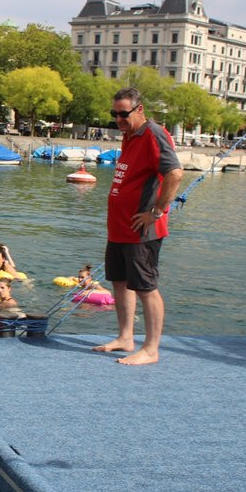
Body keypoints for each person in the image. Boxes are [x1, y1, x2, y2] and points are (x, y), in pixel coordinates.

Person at [92, 87, 183, 365]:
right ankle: (125, 337)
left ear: (139, 109)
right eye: (115, 114)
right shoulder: (129, 136)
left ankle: (151, 349)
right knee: (120, 282)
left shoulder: (153, 133)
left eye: (124, 113)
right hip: (119, 228)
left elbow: (175, 173)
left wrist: (156, 211)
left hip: (141, 230)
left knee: (145, 286)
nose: (119, 119)